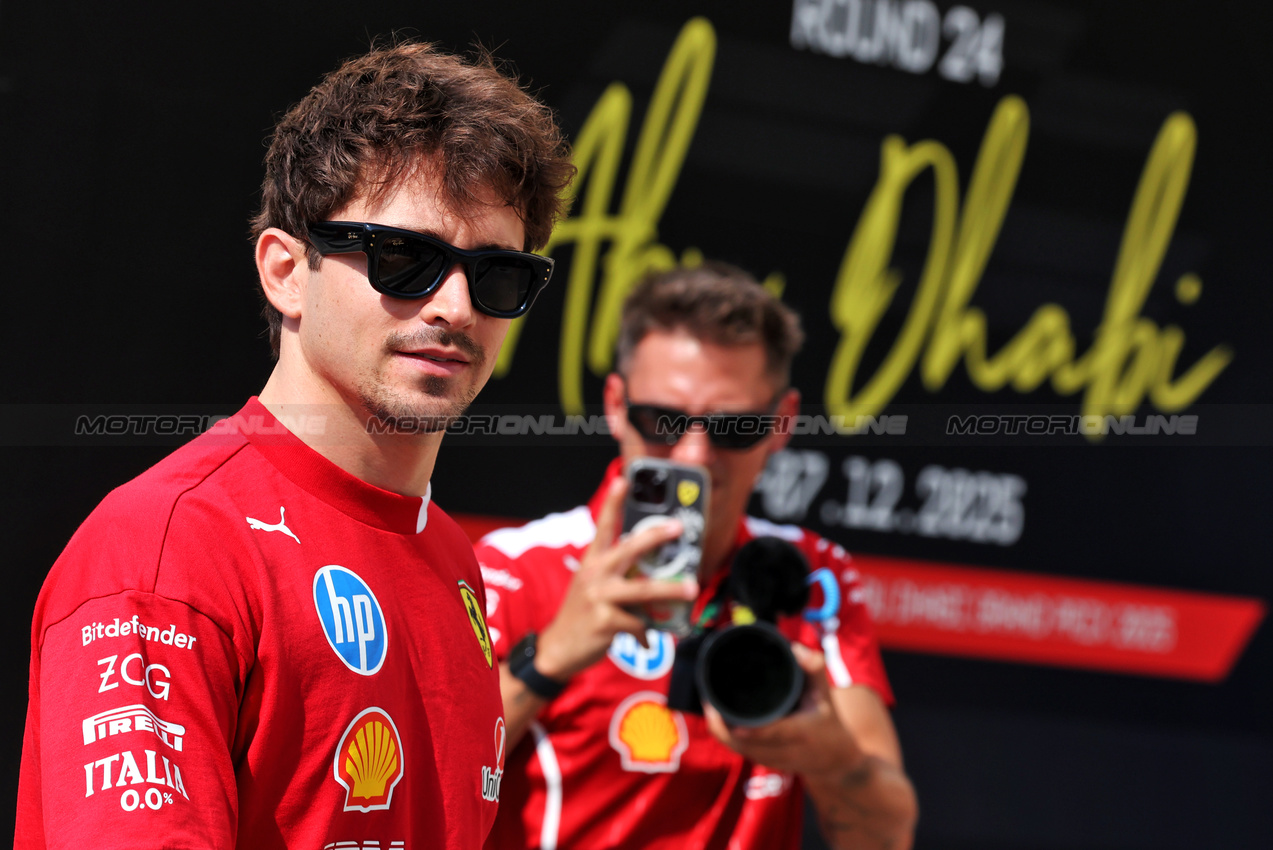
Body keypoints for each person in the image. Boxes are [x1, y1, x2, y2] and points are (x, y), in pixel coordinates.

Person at [16, 40, 573, 849]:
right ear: (285, 272)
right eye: (405, 258)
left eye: (495, 274)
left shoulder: (453, 556)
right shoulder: (166, 550)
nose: (455, 305)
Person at [476, 264, 918, 850]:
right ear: (615, 404)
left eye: (734, 426)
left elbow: (885, 837)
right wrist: (550, 658)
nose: (693, 455)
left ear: (782, 422)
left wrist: (836, 760)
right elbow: (419, 784)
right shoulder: (512, 567)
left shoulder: (809, 573)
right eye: (664, 420)